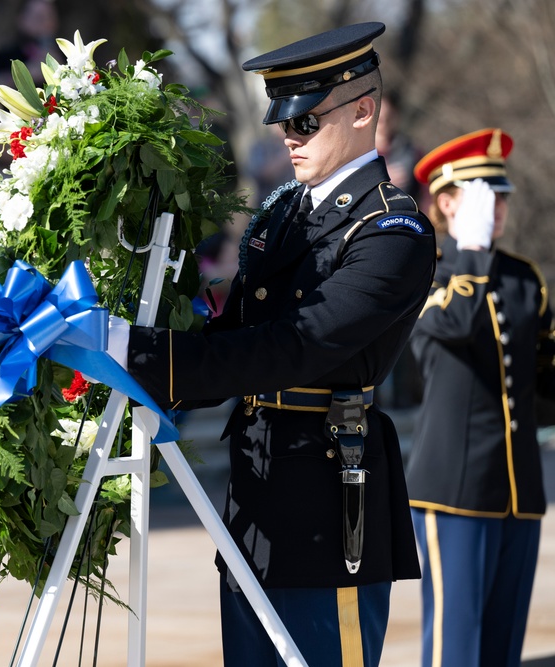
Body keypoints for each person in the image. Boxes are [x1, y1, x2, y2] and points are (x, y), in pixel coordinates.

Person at [123, 23, 437, 666]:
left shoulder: (392, 230)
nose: (289, 139)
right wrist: (124, 343)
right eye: (285, 125)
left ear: (363, 111)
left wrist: (145, 356)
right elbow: (233, 335)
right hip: (254, 503)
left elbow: (295, 347)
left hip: (330, 499)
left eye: (306, 123)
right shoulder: (283, 216)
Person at [406, 128, 554, 667]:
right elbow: (457, 324)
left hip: (520, 489)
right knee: (455, 645)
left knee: (503, 645)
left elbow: (543, 379)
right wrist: (470, 254)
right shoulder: (424, 273)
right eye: (484, 198)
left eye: (502, 198)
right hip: (455, 491)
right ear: (446, 202)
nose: (498, 208)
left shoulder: (521, 278)